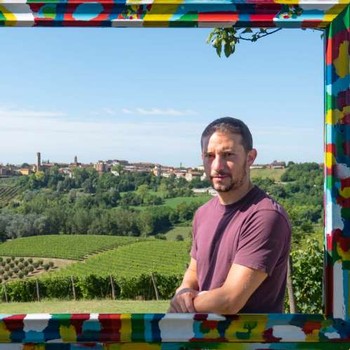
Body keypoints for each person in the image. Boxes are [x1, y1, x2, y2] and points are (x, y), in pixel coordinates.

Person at [168, 117, 291, 314]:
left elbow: (230, 300)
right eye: (209, 156)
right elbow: (194, 272)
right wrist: (183, 291)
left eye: (228, 155)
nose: (217, 165)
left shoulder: (265, 216)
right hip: (203, 340)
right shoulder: (203, 214)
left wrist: (179, 308)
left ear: (250, 157)